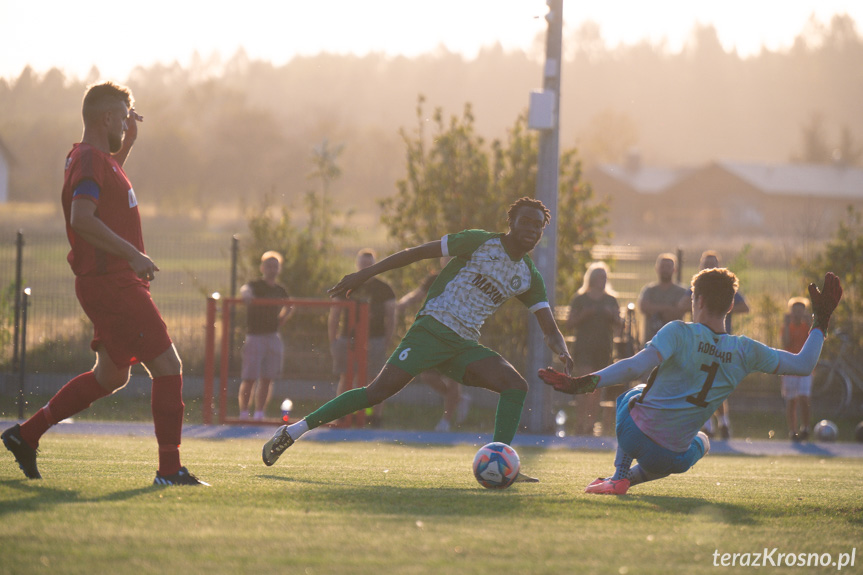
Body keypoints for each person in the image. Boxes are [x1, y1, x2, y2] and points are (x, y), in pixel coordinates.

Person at [263, 197, 574, 479]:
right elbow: (415, 253)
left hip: (463, 345)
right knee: (376, 393)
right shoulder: (480, 242)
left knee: (515, 385)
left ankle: (502, 462)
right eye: (527, 222)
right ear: (512, 223)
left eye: (539, 225)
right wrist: (364, 275)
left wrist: (562, 352)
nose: (533, 229)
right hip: (431, 330)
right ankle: (292, 431)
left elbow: (549, 328)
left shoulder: (528, 276)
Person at [1, 82, 207, 485]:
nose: (128, 123)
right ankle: (170, 470)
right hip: (112, 283)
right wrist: (133, 254)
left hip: (110, 282)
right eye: (124, 117)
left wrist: (128, 144)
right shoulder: (91, 160)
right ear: (107, 117)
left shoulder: (96, 158)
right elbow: (82, 217)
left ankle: (26, 435)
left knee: (111, 377)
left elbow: (106, 195)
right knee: (168, 366)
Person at [539, 269, 841, 495]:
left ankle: (618, 474)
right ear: (730, 306)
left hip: (633, 435)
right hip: (670, 459)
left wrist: (584, 383)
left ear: (699, 300)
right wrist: (821, 320)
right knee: (704, 440)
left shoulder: (679, 332)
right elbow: (804, 364)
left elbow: (634, 367)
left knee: (633, 394)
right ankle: (627, 480)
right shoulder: (745, 350)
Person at [679, 250, 750, 440]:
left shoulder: (725, 288)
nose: (709, 267)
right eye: (706, 264)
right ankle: (708, 424)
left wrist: (722, 305)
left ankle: (723, 422)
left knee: (716, 381)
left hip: (720, 339)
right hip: (700, 340)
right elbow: (682, 304)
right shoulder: (697, 286)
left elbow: (744, 306)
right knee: (702, 381)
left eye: (713, 264)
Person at [396, 259, 471, 432]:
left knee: (453, 377)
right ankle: (458, 399)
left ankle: (445, 421)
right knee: (428, 376)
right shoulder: (434, 279)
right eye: (446, 257)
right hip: (434, 335)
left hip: (458, 335)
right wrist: (401, 304)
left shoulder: (467, 279)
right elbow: (417, 294)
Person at [327, 248, 396, 428]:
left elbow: (391, 317)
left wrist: (387, 341)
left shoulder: (384, 289)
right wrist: (333, 340)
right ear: (357, 264)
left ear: (375, 264)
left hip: (375, 340)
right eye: (363, 263)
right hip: (347, 340)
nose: (366, 266)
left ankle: (371, 417)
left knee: (374, 380)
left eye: (370, 263)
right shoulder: (348, 284)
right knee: (346, 378)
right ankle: (341, 415)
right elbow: (334, 314)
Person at [565, 262, 622, 435]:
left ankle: (591, 424)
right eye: (599, 278)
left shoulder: (611, 300)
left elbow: (620, 324)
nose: (602, 281)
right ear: (591, 279)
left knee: (597, 387)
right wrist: (584, 315)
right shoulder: (580, 299)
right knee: (583, 386)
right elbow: (569, 324)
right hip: (584, 348)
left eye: (604, 278)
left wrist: (611, 315)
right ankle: (580, 422)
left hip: (603, 348)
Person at [238, 251, 293, 420]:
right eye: (268, 266)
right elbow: (245, 289)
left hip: (272, 336)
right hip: (255, 336)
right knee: (249, 377)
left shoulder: (279, 290)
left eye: (275, 266)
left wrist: (282, 318)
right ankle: (244, 413)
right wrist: (246, 294)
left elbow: (290, 305)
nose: (272, 269)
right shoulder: (255, 285)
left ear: (279, 269)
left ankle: (260, 413)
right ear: (262, 267)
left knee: (268, 378)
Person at [781, 297, 813, 442]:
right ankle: (792, 430)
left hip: (805, 367)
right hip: (790, 366)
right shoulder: (787, 327)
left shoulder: (808, 327)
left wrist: (811, 323)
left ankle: (805, 427)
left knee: (804, 398)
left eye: (801, 311)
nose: (798, 315)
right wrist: (787, 325)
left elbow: (814, 341)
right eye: (796, 312)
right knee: (791, 400)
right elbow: (786, 343)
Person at [638, 253, 688, 343]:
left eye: (668, 267)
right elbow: (643, 307)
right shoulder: (649, 290)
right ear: (656, 268)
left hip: (675, 341)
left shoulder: (681, 291)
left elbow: (680, 310)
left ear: (674, 270)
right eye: (662, 267)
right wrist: (668, 308)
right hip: (651, 342)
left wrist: (655, 309)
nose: (665, 270)